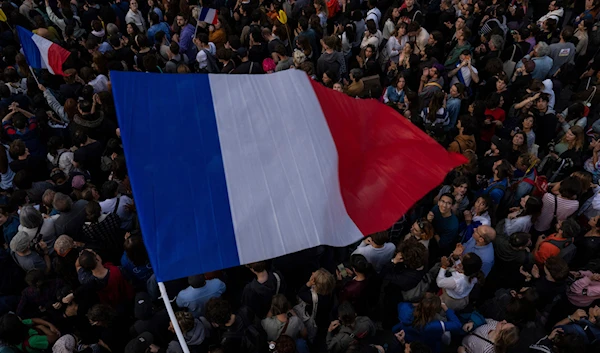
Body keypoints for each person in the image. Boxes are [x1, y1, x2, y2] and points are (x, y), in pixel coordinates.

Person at [392, 293, 462, 353]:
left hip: (407, 338)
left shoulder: (404, 309)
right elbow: (457, 324)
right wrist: (444, 307)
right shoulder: (432, 326)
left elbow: (402, 304)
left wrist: (418, 305)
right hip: (427, 344)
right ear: (433, 312)